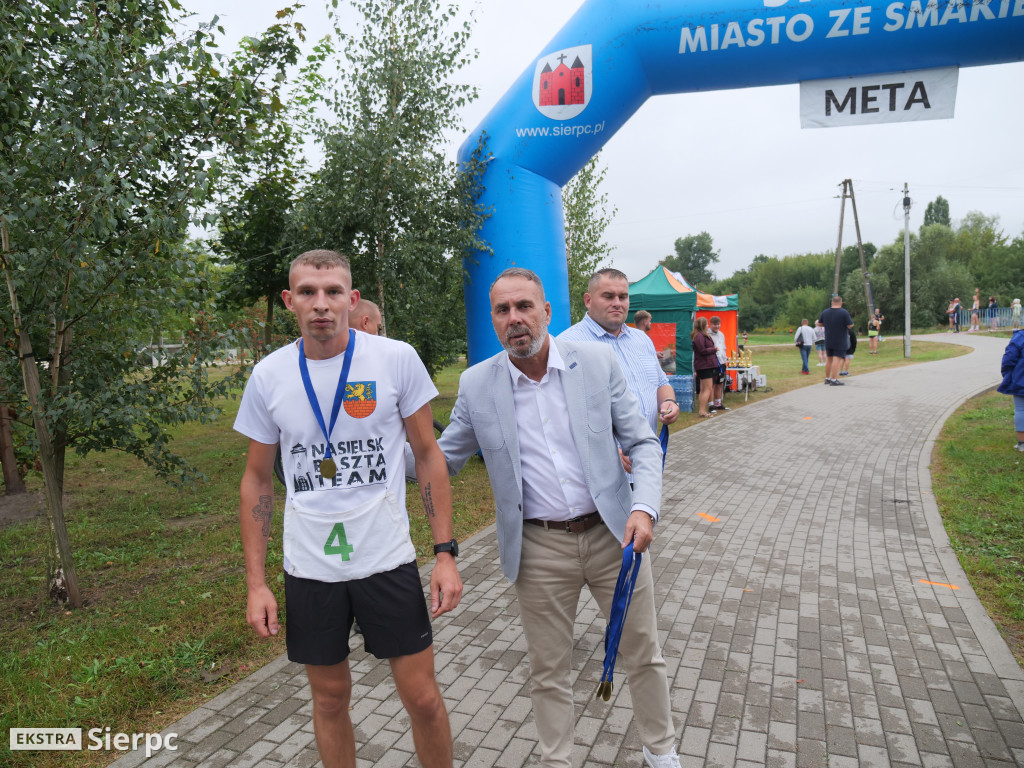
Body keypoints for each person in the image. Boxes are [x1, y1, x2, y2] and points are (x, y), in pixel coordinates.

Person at [410, 267, 682, 768]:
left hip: (613, 535)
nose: (515, 319)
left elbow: (642, 442)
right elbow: (439, 461)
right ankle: (558, 760)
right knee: (548, 668)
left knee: (643, 653)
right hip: (537, 548)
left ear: (547, 312)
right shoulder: (477, 384)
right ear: (493, 320)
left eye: (524, 306)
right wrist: (378, 443)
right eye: (502, 310)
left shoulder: (597, 363)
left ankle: (661, 751)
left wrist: (644, 507)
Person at [235, 250, 463, 768]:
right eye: (309, 294)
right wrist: (256, 583)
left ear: (352, 299)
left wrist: (445, 553)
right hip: (311, 567)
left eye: (333, 292)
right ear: (289, 301)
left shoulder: (395, 358)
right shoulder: (269, 376)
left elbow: (428, 457)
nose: (322, 305)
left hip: (386, 558)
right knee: (330, 699)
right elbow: (255, 480)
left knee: (423, 699)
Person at [559, 268, 681, 455]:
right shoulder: (566, 345)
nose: (617, 303)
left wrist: (668, 401)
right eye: (608, 296)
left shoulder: (642, 340)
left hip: (646, 462)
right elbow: (559, 413)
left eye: (623, 297)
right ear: (588, 300)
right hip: (599, 470)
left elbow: (661, 383)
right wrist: (607, 451)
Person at [817, 295, 854, 386]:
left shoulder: (825, 312)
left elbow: (819, 323)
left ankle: (827, 378)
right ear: (841, 303)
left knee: (829, 359)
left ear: (832, 302)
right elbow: (850, 325)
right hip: (840, 340)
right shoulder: (844, 312)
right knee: (836, 359)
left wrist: (826, 325)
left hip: (828, 339)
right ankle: (834, 380)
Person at [997, 329, 1024, 452]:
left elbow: (1009, 358)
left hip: (1021, 379)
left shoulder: (1020, 337)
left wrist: (1007, 374)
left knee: (1020, 410)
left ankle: (1022, 443)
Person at [691, 316, 720, 417]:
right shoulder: (699, 336)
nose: (708, 325)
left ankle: (702, 411)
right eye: (706, 324)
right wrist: (713, 349)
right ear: (702, 325)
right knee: (708, 389)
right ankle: (702, 411)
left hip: (706, 365)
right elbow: (702, 350)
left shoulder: (702, 335)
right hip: (704, 365)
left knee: (704, 389)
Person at [707, 316, 730, 411]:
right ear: (710, 324)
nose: (717, 326)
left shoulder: (721, 334)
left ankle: (718, 403)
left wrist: (725, 359)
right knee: (711, 385)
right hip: (712, 363)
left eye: (718, 324)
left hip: (722, 362)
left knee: (719, 384)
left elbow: (723, 348)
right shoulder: (707, 334)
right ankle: (711, 405)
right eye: (715, 324)